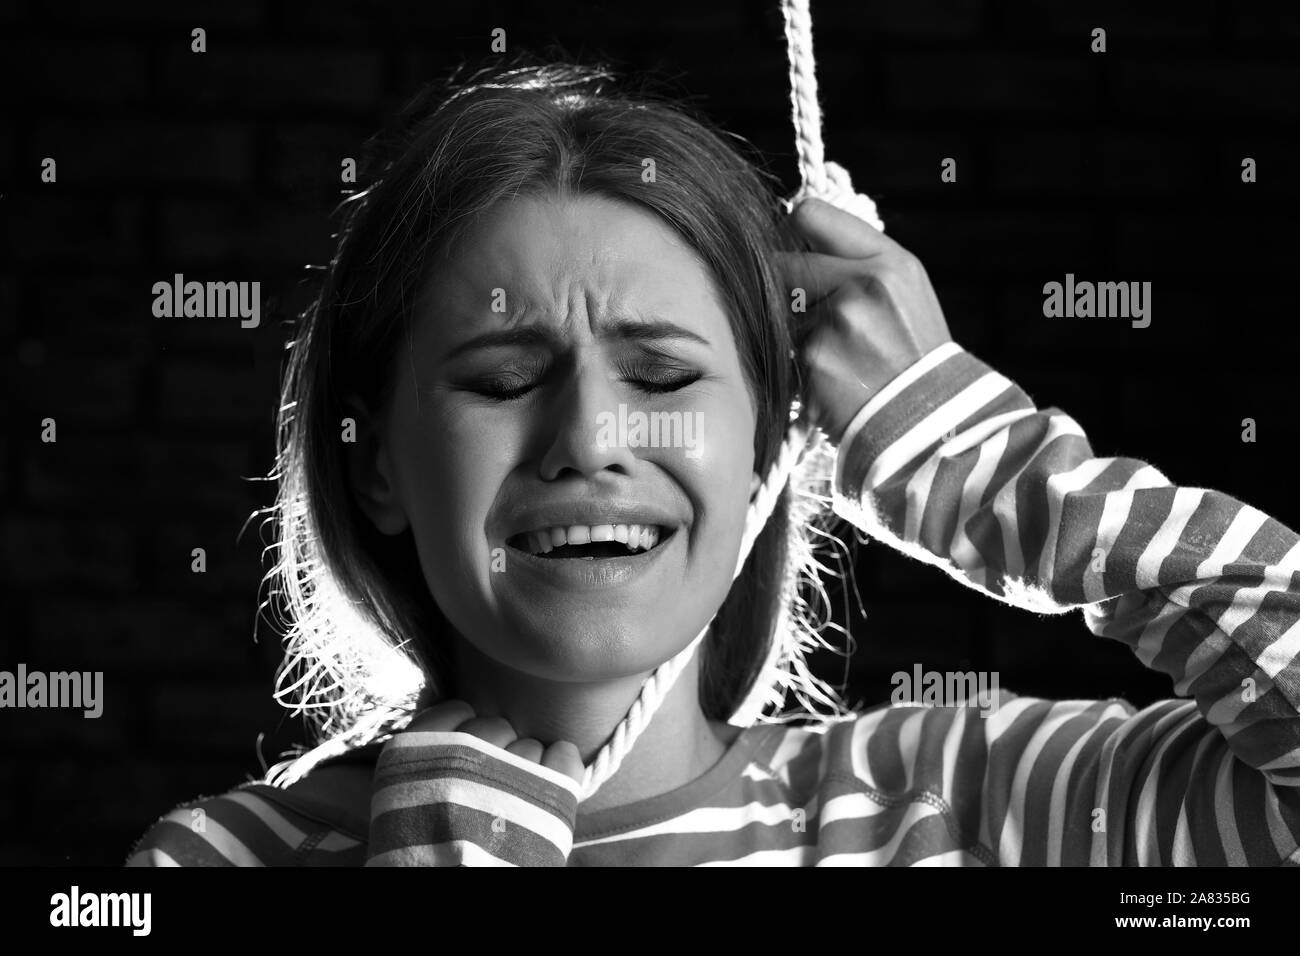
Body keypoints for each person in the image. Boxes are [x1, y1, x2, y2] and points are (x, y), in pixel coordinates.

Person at [127, 59, 1300, 867]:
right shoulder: (224, 858)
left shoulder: (980, 805)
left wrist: (985, 464)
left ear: (767, 444)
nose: (589, 440)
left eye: (665, 376)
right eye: (500, 378)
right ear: (376, 460)